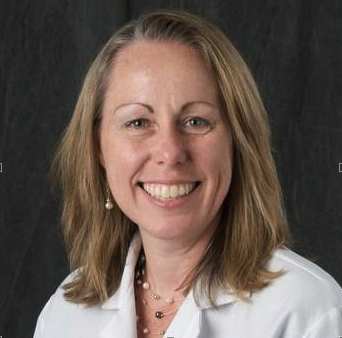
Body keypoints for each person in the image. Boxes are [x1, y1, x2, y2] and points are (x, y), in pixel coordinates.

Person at [33, 9, 342, 338]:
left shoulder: (308, 312)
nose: (170, 152)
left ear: (237, 142)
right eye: (138, 122)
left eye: (196, 121)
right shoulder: (66, 315)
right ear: (98, 148)